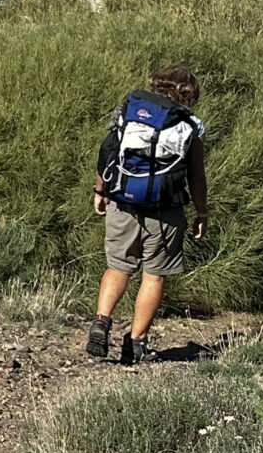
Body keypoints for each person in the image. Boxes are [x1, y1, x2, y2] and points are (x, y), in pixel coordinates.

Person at [85, 66, 209, 366]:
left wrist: (100, 191)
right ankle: (136, 343)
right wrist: (202, 212)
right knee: (153, 276)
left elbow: (107, 154)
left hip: (122, 202)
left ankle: (101, 321)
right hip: (165, 212)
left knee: (118, 267)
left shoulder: (128, 112)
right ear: (189, 94)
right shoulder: (190, 125)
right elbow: (196, 176)